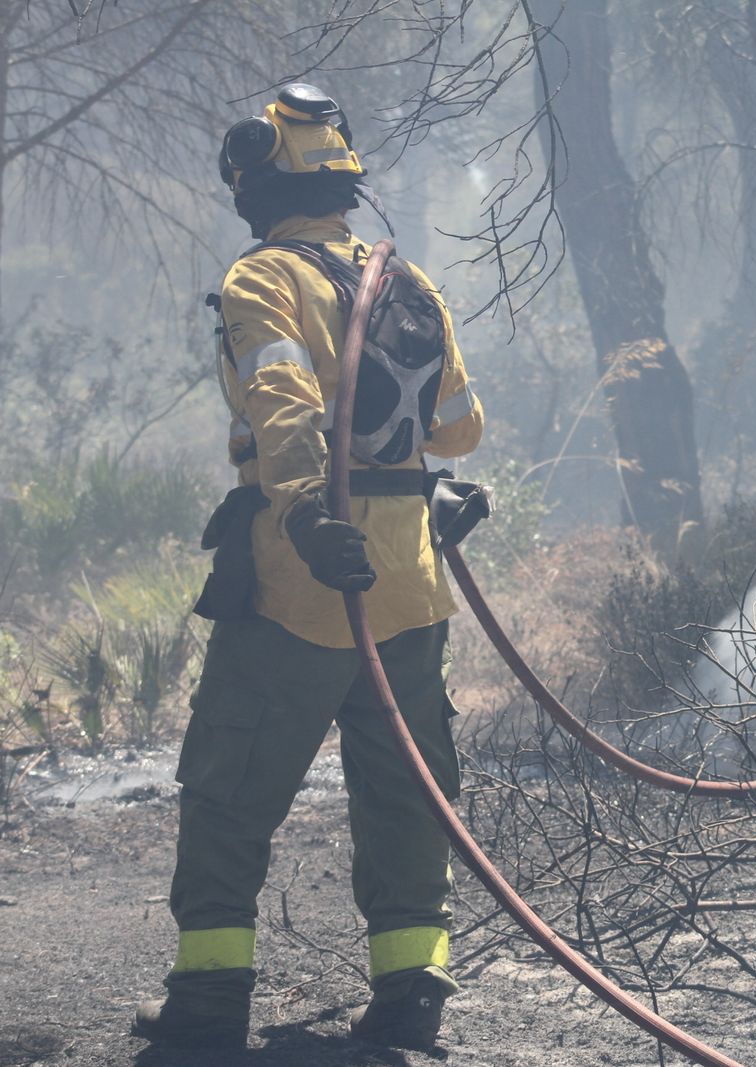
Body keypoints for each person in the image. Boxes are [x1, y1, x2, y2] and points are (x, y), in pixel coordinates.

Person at [133, 84, 484, 1051]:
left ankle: (207, 1005)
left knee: (227, 789)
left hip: (299, 586)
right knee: (407, 796)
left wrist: (301, 512)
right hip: (410, 586)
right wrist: (411, 489)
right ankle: (412, 998)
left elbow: (283, 406)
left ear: (255, 184)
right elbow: (460, 426)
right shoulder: (408, 282)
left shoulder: (262, 281)